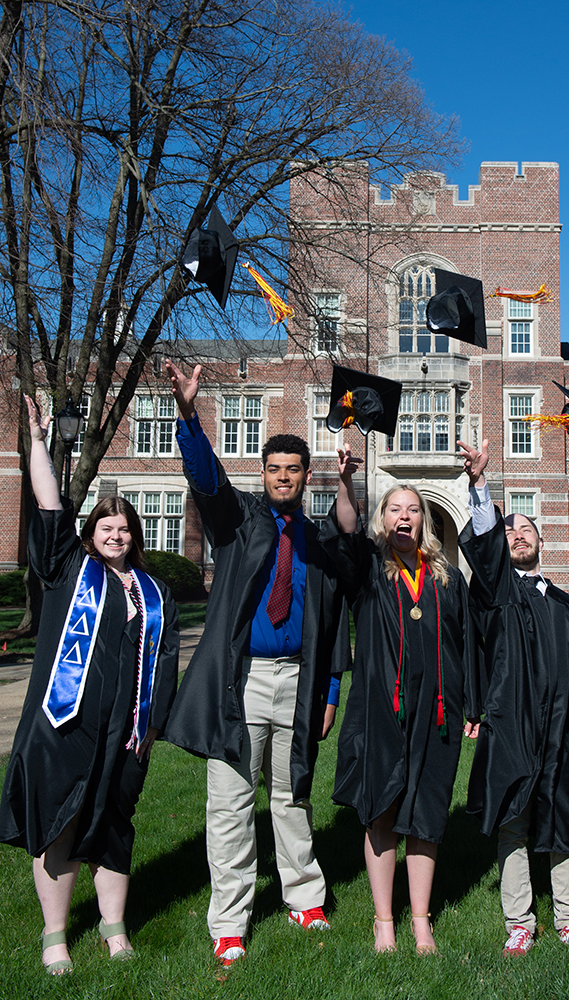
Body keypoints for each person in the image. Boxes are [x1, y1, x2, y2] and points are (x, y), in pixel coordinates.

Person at [162, 360, 348, 967]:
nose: (283, 478)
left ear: (305, 475)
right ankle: (230, 920)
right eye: (274, 469)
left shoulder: (317, 541)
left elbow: (337, 621)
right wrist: (189, 414)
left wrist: (330, 693)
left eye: (293, 470)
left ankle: (304, 896)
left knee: (292, 795)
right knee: (232, 801)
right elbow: (206, 480)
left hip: (299, 678)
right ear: (263, 473)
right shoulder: (237, 522)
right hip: (242, 681)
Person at [0, 395, 179, 974]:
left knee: (114, 825)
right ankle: (55, 936)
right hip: (65, 723)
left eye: (125, 528)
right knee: (62, 819)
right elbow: (49, 504)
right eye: (106, 526)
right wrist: (40, 443)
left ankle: (114, 928)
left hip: (125, 734)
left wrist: (152, 726)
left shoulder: (156, 593)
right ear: (91, 533)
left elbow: (167, 662)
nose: (116, 535)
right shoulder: (69, 571)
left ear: (137, 536)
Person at [458, 438, 569, 959]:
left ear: (542, 542)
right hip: (512, 722)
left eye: (525, 528)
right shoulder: (496, 591)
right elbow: (484, 549)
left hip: (561, 730)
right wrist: (481, 486)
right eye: (510, 530)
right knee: (513, 818)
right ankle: (519, 922)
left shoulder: (568, 606)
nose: (517, 535)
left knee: (562, 817)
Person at [320, 443, 480, 954]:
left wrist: (470, 704)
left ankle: (420, 918)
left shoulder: (446, 580)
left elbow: (466, 645)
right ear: (384, 520)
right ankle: (384, 919)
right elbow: (346, 530)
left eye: (413, 509)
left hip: (437, 713)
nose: (405, 516)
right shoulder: (369, 572)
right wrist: (346, 483)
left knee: (428, 812)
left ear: (424, 521)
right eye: (395, 509)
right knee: (382, 809)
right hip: (381, 711)